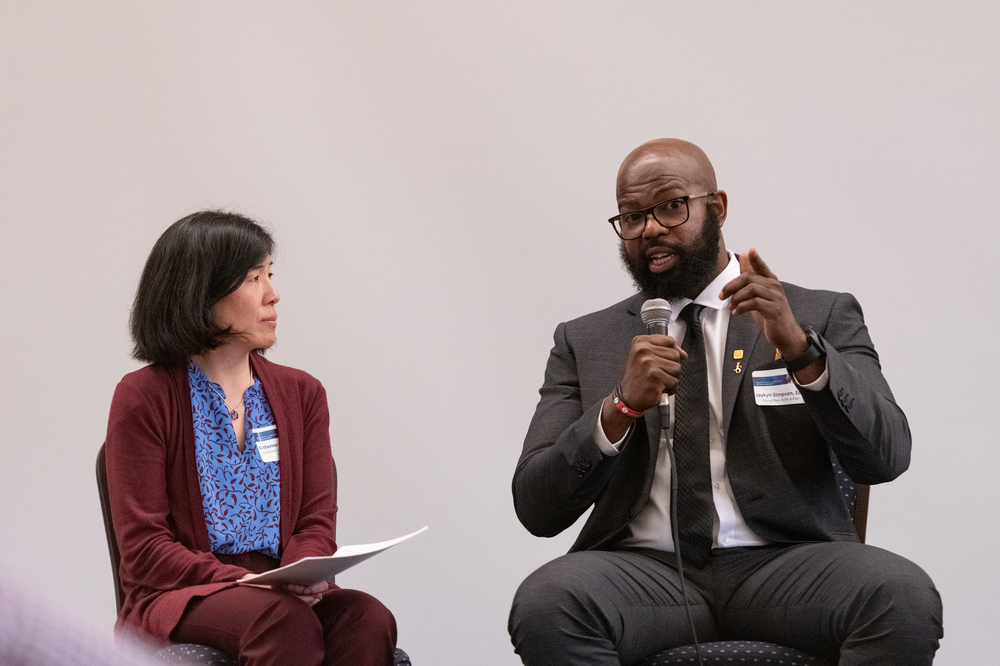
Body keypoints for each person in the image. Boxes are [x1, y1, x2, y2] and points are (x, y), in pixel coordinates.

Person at [508, 139, 943, 665]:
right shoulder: (586, 340)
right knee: (548, 603)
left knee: (901, 595)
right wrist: (620, 407)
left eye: (672, 206)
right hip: (646, 575)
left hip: (787, 567)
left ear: (717, 207)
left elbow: (886, 456)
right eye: (632, 217)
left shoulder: (816, 315)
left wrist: (803, 352)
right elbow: (537, 507)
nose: (651, 229)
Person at [105, 211, 397, 666]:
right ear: (199, 292)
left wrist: (296, 576)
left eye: (270, 275)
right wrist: (246, 583)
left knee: (368, 617)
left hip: (280, 590)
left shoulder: (303, 393)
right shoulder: (143, 397)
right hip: (184, 592)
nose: (272, 293)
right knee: (280, 621)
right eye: (253, 278)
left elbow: (316, 522)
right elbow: (145, 551)